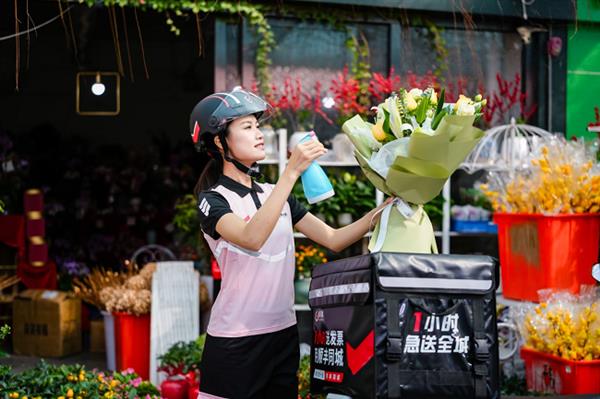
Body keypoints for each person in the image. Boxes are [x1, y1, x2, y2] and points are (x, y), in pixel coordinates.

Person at [190, 88, 389, 399]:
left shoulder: (275, 193)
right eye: (247, 127)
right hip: (235, 340)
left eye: (257, 126)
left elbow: (333, 239)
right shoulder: (213, 201)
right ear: (219, 141)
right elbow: (252, 238)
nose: (258, 134)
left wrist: (382, 210)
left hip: (283, 334)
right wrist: (292, 171)